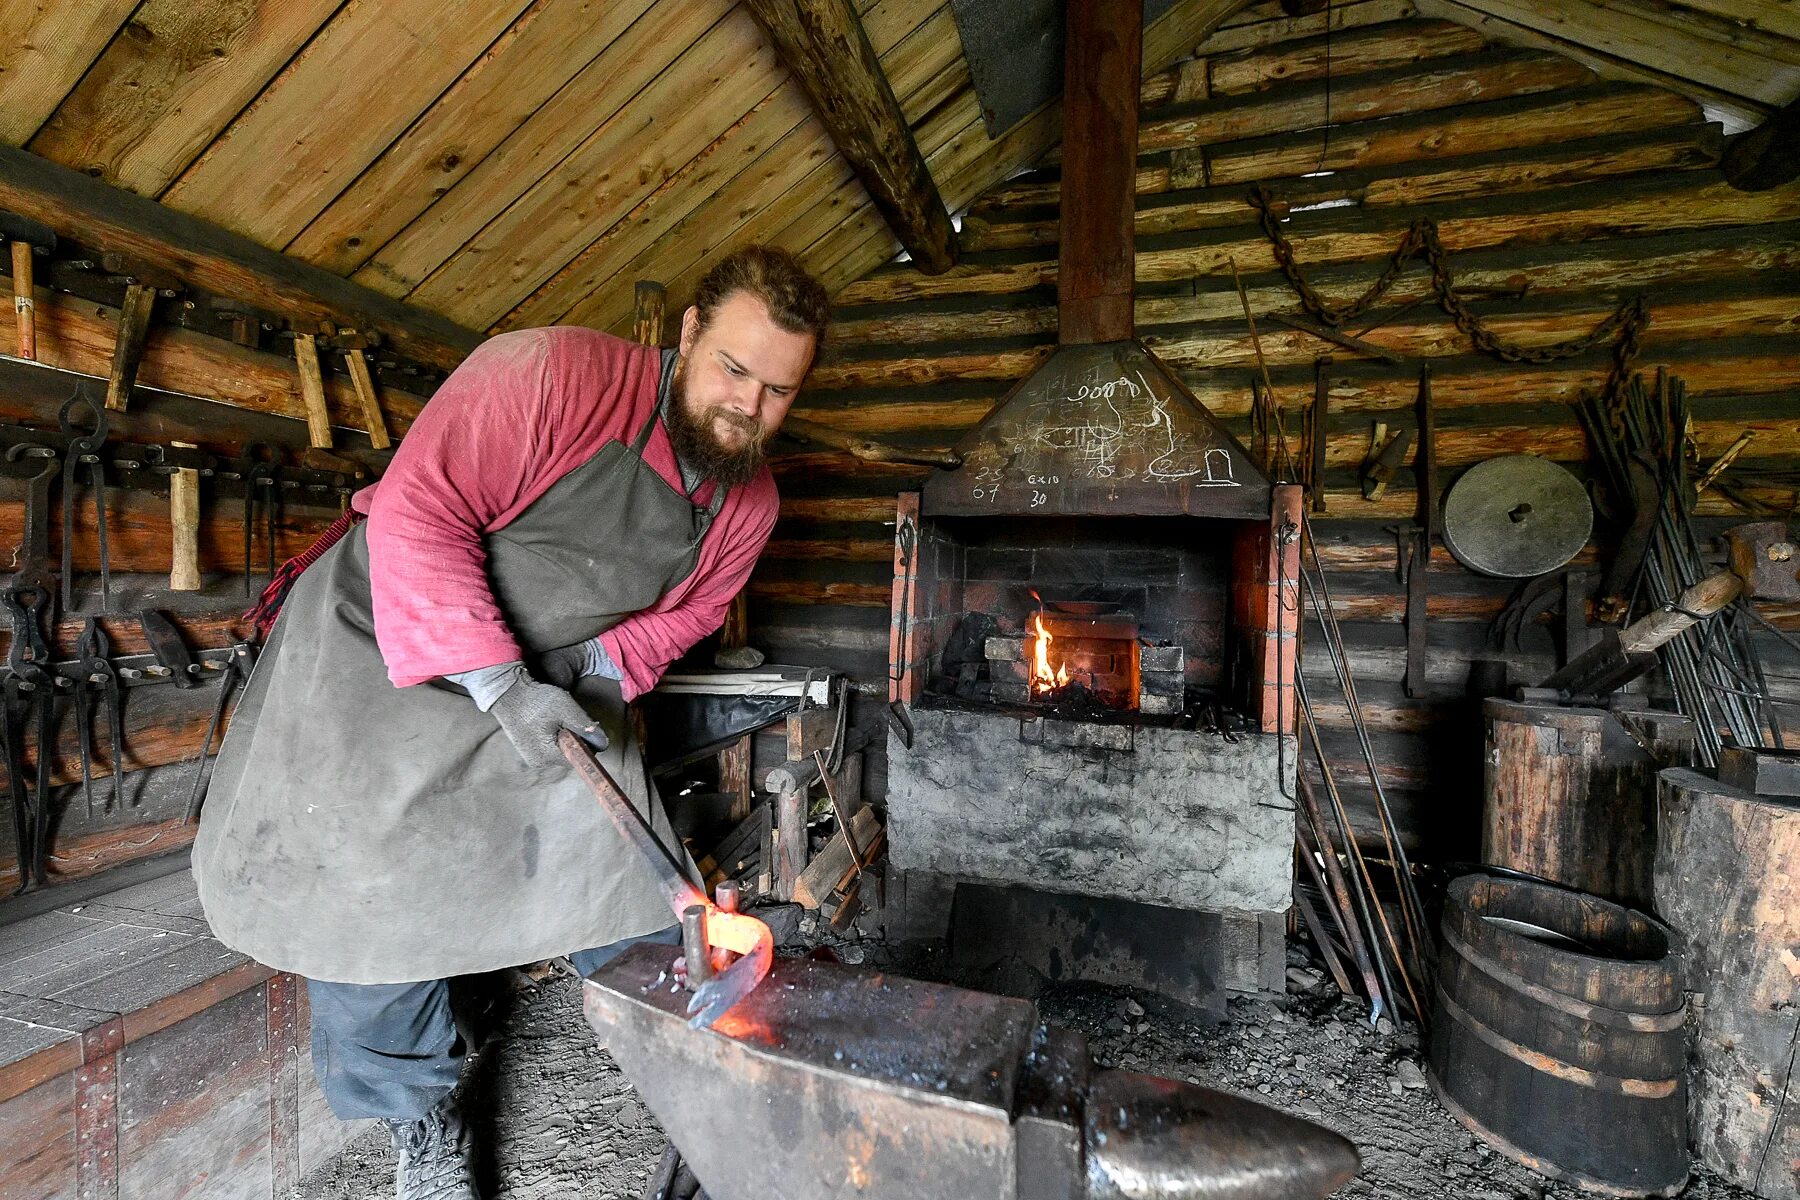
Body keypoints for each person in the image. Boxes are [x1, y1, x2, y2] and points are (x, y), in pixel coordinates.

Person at [192, 246, 828, 1200]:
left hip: (556, 678)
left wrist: (592, 672)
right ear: (687, 333)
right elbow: (421, 514)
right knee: (370, 904)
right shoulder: (550, 375)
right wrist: (500, 682)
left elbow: (688, 617)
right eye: (734, 370)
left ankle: (695, 1085)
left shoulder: (749, 500)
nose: (748, 405)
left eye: (777, 391)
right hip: (389, 650)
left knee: (638, 887)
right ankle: (425, 1128)